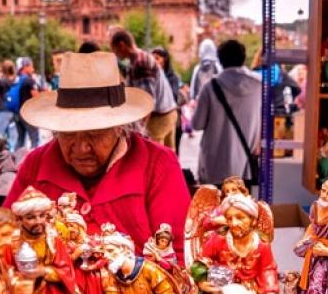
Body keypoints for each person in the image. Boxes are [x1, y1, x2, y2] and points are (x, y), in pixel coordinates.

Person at [3, 51, 190, 263]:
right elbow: (3, 239)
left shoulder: (158, 164)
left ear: (120, 127)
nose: (82, 148)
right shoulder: (36, 165)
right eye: (69, 133)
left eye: (95, 134)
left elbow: (179, 256)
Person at [192, 39, 261, 186]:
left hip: (214, 166)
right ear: (243, 58)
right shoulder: (259, 86)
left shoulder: (210, 87)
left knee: (214, 208)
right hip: (244, 167)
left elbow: (197, 124)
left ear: (220, 60)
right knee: (240, 208)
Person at [110, 30, 177, 150]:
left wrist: (139, 131)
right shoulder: (138, 60)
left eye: (114, 49)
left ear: (121, 45)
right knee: (170, 158)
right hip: (168, 113)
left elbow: (148, 101)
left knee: (156, 160)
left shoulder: (141, 63)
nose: (115, 54)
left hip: (158, 119)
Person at [152, 46, 187, 154]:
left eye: (157, 58)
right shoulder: (151, 77)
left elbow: (173, 97)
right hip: (155, 123)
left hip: (172, 122)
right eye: (152, 58)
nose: (154, 61)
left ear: (165, 60)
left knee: (172, 155)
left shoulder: (173, 78)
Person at [15, 57, 41, 150]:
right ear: (25, 67)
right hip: (28, 114)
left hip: (17, 113)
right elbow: (36, 96)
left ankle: (14, 162)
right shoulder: (29, 80)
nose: (33, 69)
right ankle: (35, 162)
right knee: (34, 139)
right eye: (31, 66)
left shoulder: (17, 79)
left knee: (20, 140)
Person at [0, 60, 16, 144]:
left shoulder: (2, 81)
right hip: (14, 109)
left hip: (4, 109)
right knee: (13, 133)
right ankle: (13, 152)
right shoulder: (16, 80)